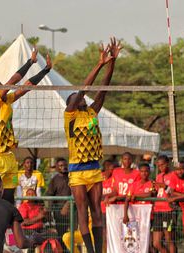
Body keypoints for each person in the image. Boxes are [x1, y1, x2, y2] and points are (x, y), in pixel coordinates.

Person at [64, 37, 122, 253]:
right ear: (73, 101)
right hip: (77, 171)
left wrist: (112, 62)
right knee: (82, 211)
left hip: (93, 168)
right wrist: (99, 63)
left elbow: (103, 88)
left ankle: (98, 251)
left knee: (97, 211)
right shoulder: (69, 115)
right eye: (78, 98)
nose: (83, 99)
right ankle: (89, 250)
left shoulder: (91, 112)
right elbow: (84, 89)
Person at [0, 48, 52, 204]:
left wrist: (45, 71)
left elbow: (25, 87)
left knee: (8, 197)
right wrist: (30, 62)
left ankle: (7, 227)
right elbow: (13, 80)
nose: (5, 89)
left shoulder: (6, 101)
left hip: (9, 156)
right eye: (1, 88)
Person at [46, 157, 71, 252]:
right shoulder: (54, 180)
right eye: (61, 166)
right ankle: (62, 250)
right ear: (57, 167)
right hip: (59, 211)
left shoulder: (71, 177)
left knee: (73, 233)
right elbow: (49, 194)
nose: (63, 167)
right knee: (61, 233)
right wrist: (49, 210)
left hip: (73, 210)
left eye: (65, 165)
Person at [152, 155, 176, 253]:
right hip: (158, 210)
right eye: (159, 165)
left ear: (168, 163)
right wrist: (154, 189)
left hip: (168, 210)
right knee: (156, 243)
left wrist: (165, 186)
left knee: (169, 240)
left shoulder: (174, 175)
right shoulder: (158, 176)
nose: (161, 167)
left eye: (162, 165)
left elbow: (174, 192)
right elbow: (158, 191)